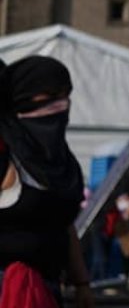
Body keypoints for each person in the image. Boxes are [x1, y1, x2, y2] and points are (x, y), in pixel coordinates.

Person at [0, 56, 93, 308]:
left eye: (65, 95)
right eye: (50, 96)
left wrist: (82, 283)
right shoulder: (6, 155)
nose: (61, 105)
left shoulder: (61, 161)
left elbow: (64, 223)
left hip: (49, 289)